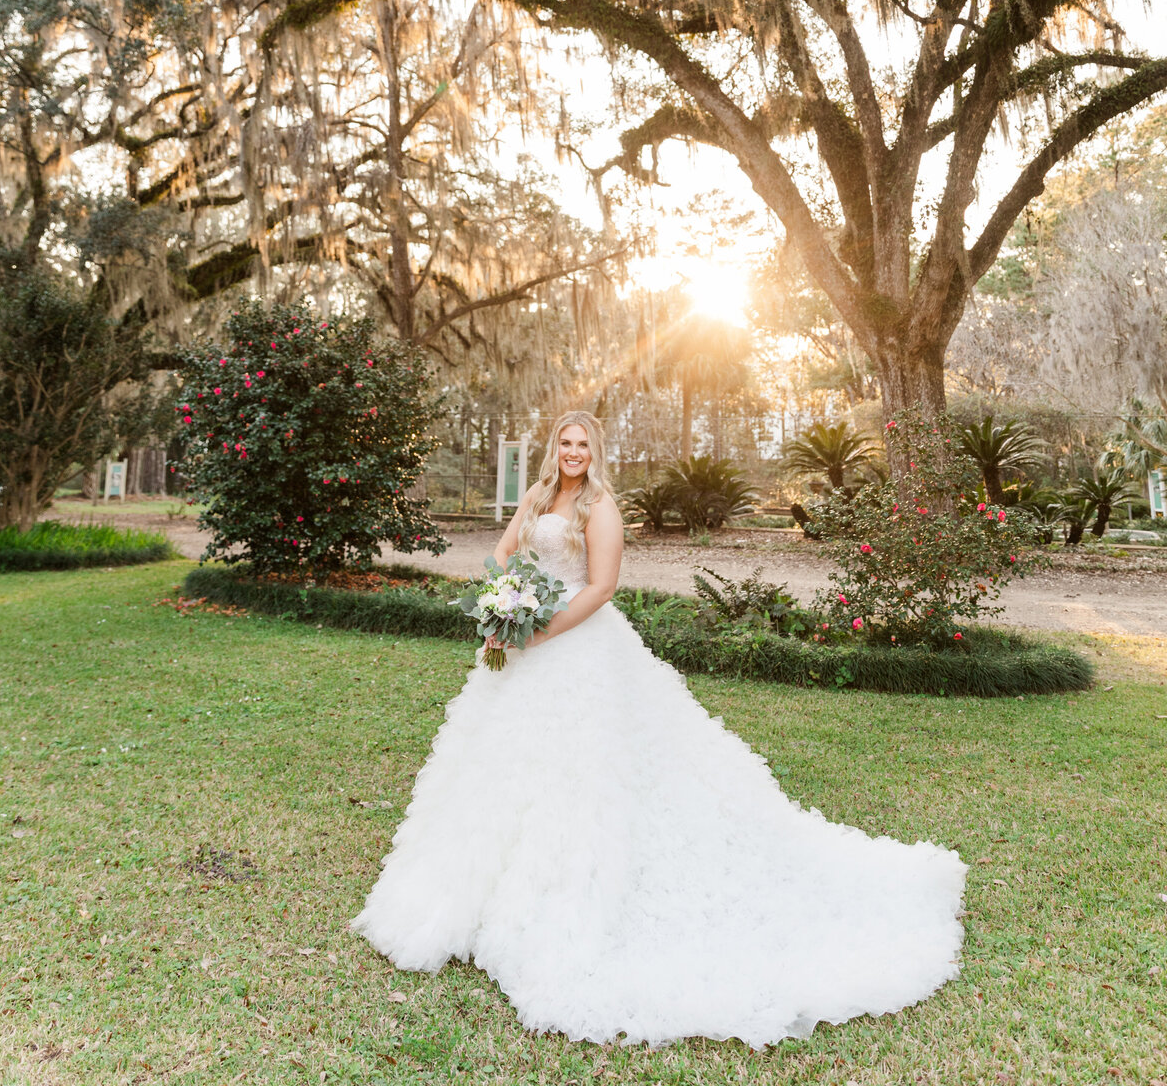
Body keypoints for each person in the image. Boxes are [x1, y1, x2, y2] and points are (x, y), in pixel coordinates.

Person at [351, 410, 966, 1048]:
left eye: (582, 444)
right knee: (497, 766)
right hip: (518, 643)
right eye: (564, 442)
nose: (572, 453)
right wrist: (505, 599)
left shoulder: (600, 505)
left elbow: (602, 587)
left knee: (583, 772)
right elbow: (504, 551)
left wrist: (540, 627)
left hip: (575, 645)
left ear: (595, 453)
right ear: (553, 448)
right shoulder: (537, 496)